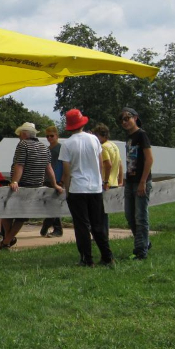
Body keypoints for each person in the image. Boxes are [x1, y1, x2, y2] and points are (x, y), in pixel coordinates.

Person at [58, 109, 114, 267]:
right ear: (82, 123)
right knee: (98, 225)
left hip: (77, 188)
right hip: (95, 188)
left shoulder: (67, 144)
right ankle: (107, 256)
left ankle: (87, 259)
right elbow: (100, 163)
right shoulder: (94, 139)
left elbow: (67, 171)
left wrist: (67, 190)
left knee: (82, 226)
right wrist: (100, 180)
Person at [1, 122, 62, 249]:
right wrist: (55, 184)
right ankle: (8, 240)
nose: (19, 136)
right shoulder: (44, 147)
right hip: (36, 186)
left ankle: (6, 241)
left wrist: (15, 181)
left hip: (22, 185)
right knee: (21, 216)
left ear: (24, 134)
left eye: (20, 133)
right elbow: (49, 168)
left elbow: (19, 165)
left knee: (7, 213)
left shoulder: (23, 144)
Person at [120, 107, 154, 260]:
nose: (124, 122)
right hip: (130, 181)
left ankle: (140, 251)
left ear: (135, 118)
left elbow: (149, 159)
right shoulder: (129, 137)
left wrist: (143, 182)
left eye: (127, 118)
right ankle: (145, 242)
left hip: (141, 181)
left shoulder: (141, 135)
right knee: (129, 216)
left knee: (141, 217)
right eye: (122, 120)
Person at [92, 123, 123, 238]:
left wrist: (105, 182)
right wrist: (120, 180)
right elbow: (120, 164)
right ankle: (104, 235)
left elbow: (108, 164)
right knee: (104, 212)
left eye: (96, 136)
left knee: (100, 212)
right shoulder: (114, 146)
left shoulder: (104, 147)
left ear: (102, 135)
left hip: (106, 184)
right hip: (113, 182)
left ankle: (103, 235)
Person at [40, 125, 64, 238]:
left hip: (57, 179)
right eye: (47, 136)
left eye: (51, 136)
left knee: (54, 204)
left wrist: (62, 179)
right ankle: (52, 226)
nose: (49, 138)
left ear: (56, 136)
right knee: (49, 204)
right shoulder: (47, 149)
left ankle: (52, 227)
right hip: (47, 178)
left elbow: (65, 164)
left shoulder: (61, 148)